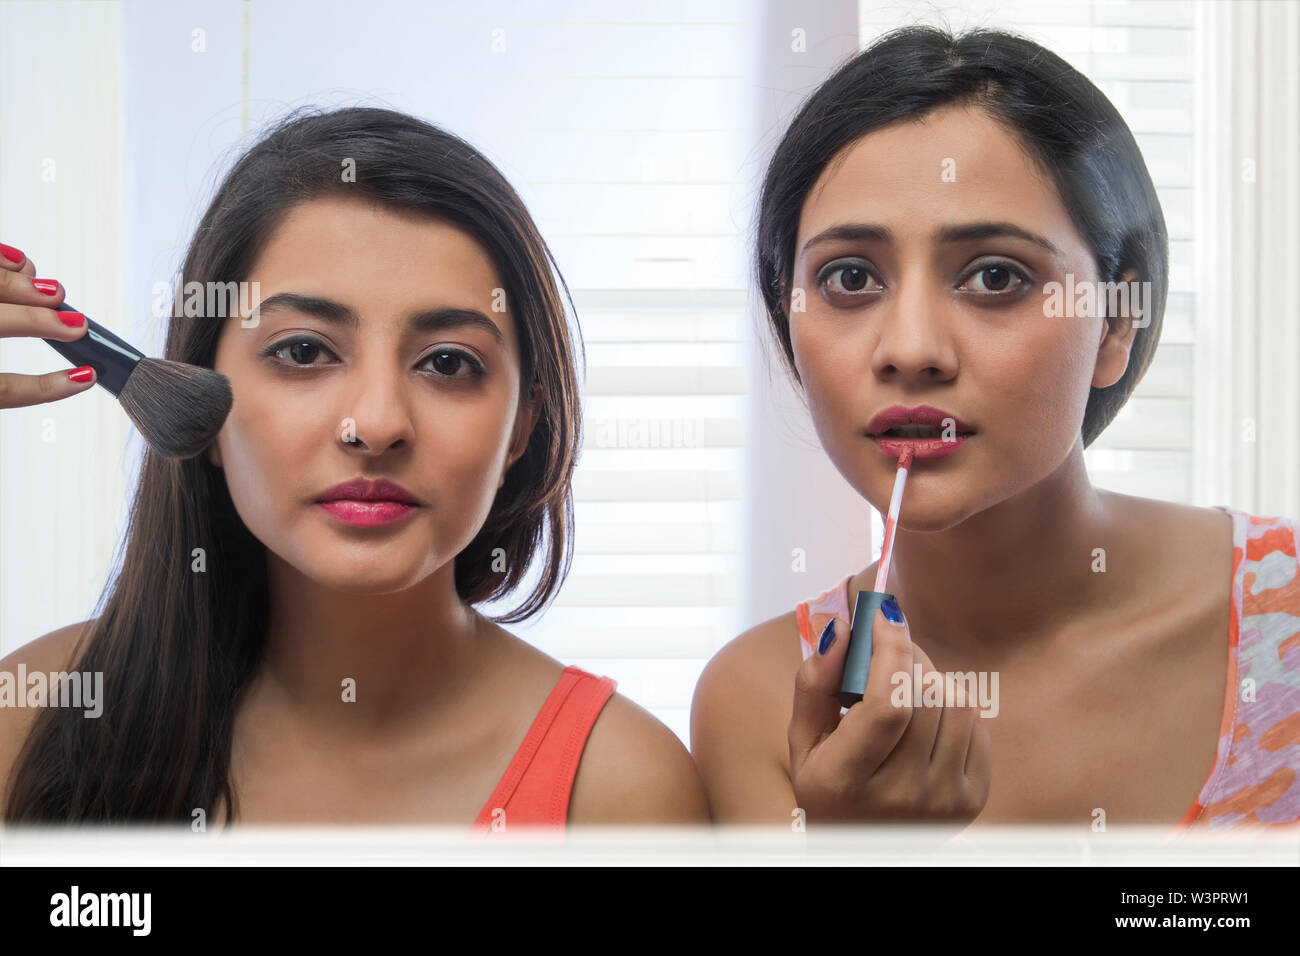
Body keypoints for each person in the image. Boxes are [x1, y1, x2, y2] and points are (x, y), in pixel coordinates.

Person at [0, 106, 708, 828]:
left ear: (524, 425)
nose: (374, 424)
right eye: (304, 352)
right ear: (199, 400)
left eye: (448, 362)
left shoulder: (622, 790)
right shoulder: (33, 715)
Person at [691, 25, 1300, 830]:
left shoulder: (1283, 623)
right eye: (849, 277)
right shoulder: (757, 702)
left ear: (1116, 324)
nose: (911, 350)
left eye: (994, 276)